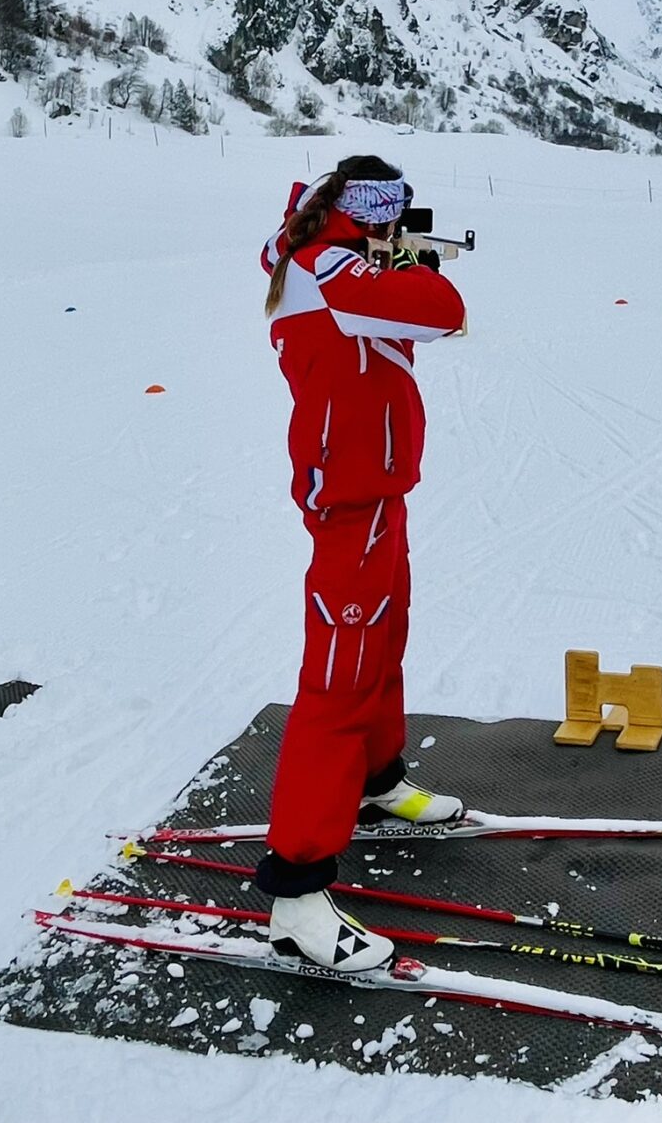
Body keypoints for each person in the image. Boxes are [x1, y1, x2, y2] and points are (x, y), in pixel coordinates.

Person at [254, 154, 467, 969]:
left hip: (376, 490)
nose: (397, 224)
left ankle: (376, 785)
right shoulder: (327, 267)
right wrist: (410, 259)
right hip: (350, 498)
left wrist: (396, 255)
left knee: (383, 641)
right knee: (337, 682)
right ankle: (297, 892)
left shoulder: (336, 263)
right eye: (388, 212)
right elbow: (444, 310)